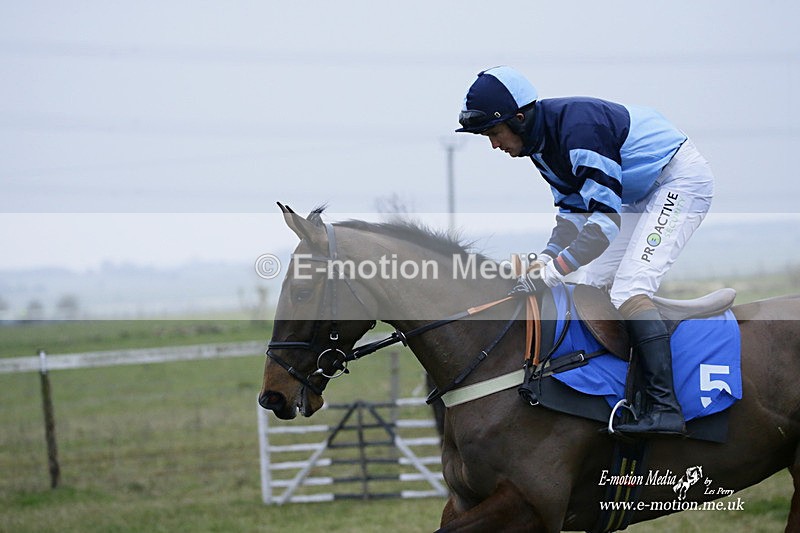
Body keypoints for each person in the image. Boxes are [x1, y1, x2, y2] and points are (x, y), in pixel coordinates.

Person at [455, 66, 715, 437]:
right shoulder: (540, 147)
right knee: (587, 282)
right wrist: (547, 260)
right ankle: (616, 390)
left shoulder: (578, 133)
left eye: (494, 133)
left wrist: (552, 271)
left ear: (519, 119)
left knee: (628, 288)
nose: (494, 144)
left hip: (678, 181)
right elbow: (573, 214)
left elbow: (604, 226)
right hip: (637, 195)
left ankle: (665, 407)